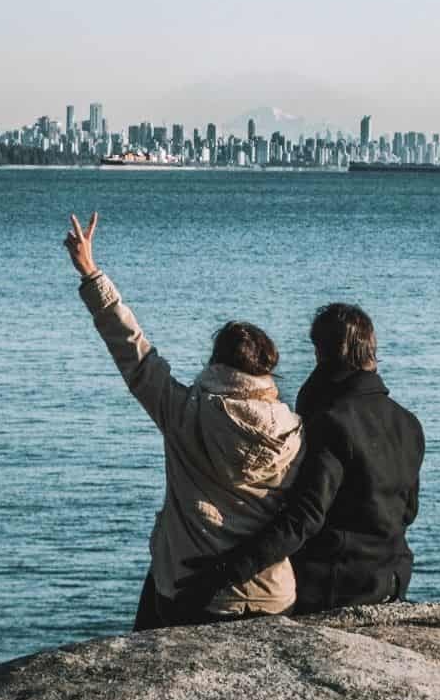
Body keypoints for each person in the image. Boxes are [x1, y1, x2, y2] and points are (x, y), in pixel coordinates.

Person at [63, 212, 304, 629]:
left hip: (193, 591)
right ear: (267, 370)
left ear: (216, 362)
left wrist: (91, 273)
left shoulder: (185, 411)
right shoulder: (293, 429)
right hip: (272, 596)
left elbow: (134, 353)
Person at [181, 302, 425, 614]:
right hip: (391, 580)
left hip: (338, 587)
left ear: (324, 353)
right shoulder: (408, 423)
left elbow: (303, 519)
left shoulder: (333, 422)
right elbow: (408, 512)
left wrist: (224, 571)